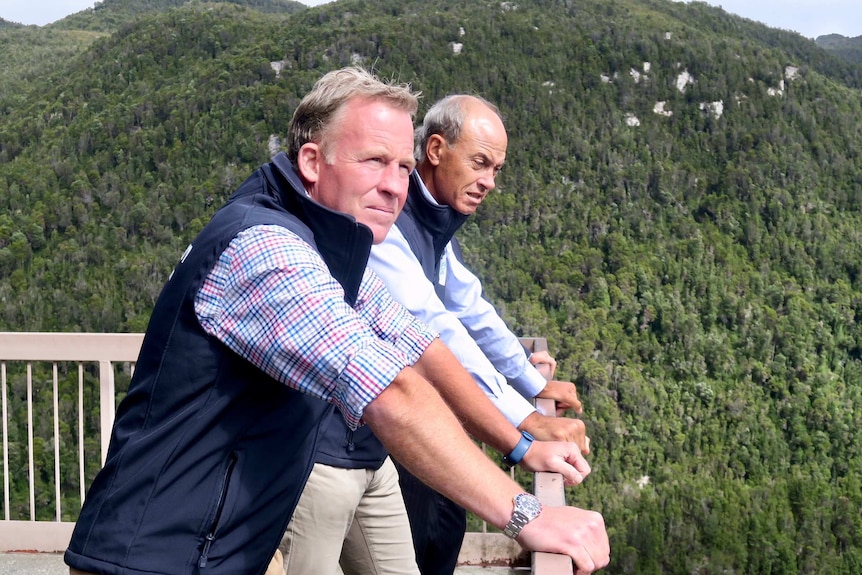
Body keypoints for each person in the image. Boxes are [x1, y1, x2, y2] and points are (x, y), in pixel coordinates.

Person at [63, 67, 610, 575]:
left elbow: (421, 346)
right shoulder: (266, 248)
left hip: (216, 547)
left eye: (401, 165)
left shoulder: (332, 248)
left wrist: (521, 445)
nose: (396, 186)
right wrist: (527, 515)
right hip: (150, 556)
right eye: (373, 161)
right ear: (311, 162)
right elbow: (389, 388)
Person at [280, 94, 591, 575]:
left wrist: (530, 387)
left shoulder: (424, 219)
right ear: (438, 149)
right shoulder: (373, 227)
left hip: (376, 442)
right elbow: (431, 328)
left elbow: (466, 307)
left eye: (399, 167)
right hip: (351, 442)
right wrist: (524, 427)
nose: (489, 181)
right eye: (480, 162)